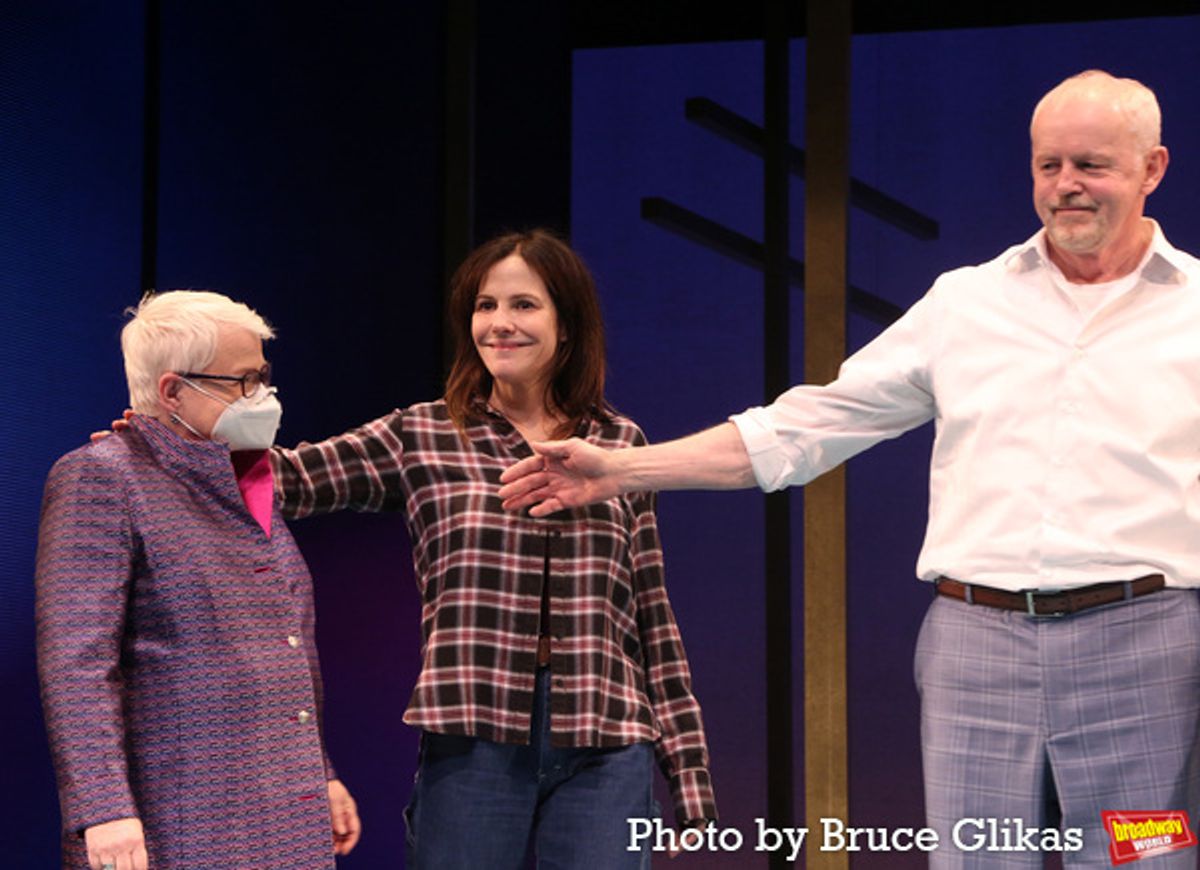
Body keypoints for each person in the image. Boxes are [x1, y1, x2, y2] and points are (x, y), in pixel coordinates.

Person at [498, 70, 1200, 867]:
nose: (1065, 185)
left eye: (1091, 165)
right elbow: (811, 425)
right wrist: (623, 470)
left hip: (1145, 649)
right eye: (1049, 165)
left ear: (1152, 168)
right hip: (977, 648)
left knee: (1148, 859)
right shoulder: (968, 302)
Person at [271, 228, 716, 868]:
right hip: (474, 738)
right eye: (486, 306)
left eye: (523, 304)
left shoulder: (620, 442)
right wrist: (169, 441)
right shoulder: (423, 432)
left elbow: (650, 614)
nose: (500, 323)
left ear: (568, 325)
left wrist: (688, 773)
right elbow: (284, 479)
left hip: (608, 740)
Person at [36, 291, 360, 870]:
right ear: (172, 391)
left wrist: (321, 772)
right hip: (180, 818)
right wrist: (103, 809)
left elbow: (283, 648)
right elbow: (78, 662)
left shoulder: (246, 474)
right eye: (242, 381)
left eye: (263, 376)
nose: (261, 396)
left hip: (287, 811)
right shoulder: (103, 476)